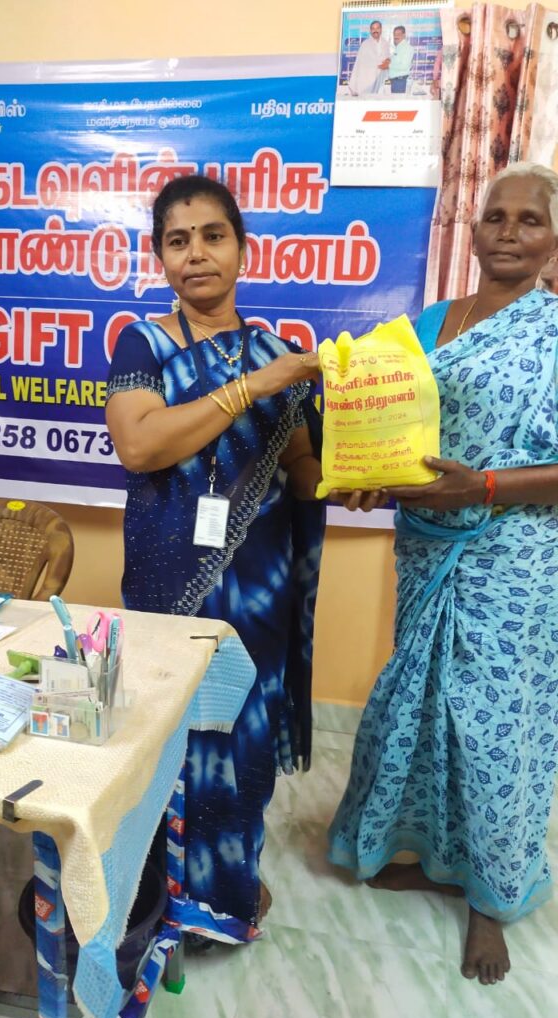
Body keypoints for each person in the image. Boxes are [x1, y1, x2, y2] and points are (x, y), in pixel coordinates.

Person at [106, 174, 374, 935]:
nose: (196, 254)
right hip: (167, 591)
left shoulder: (277, 354)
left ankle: (223, 895)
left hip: (256, 593)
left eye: (212, 236)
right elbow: (140, 445)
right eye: (177, 240)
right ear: (160, 257)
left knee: (240, 746)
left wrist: (359, 476)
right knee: (164, 741)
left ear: (242, 249)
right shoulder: (144, 343)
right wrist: (255, 386)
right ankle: (157, 894)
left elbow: (301, 468)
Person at [328, 162, 558, 986]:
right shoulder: (430, 323)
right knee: (419, 704)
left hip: (513, 555)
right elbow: (393, 431)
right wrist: (364, 476)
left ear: (553, 238)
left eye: (529, 219)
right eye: (495, 216)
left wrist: (485, 487)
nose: (509, 232)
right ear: (474, 228)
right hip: (427, 543)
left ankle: (491, 899)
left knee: (496, 729)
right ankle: (425, 851)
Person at [348, 20, 390, 97]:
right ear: (370, 31)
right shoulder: (365, 44)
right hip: (366, 78)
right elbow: (360, 64)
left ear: (381, 29)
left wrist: (386, 62)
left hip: (381, 78)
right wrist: (376, 66)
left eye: (377, 28)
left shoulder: (385, 43)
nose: (375, 30)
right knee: (366, 98)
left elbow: (387, 59)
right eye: (373, 28)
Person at [388, 25, 414, 94]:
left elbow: (404, 66)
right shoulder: (398, 48)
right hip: (395, 81)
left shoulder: (408, 48)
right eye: (394, 34)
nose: (396, 36)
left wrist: (388, 65)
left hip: (400, 82)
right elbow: (395, 63)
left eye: (398, 34)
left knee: (398, 101)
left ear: (404, 35)